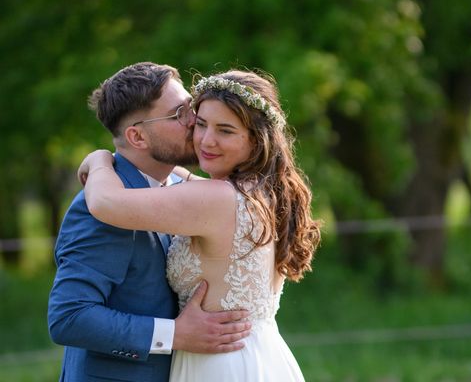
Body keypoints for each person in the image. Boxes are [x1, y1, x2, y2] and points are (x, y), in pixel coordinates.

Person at [77, 69, 322, 381]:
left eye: (226, 131)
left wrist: (99, 160)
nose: (207, 140)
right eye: (201, 124)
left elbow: (104, 204)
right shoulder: (263, 191)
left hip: (221, 366)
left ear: (257, 139)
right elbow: (188, 180)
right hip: (260, 355)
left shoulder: (216, 198)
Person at [48, 62, 251, 382]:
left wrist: (98, 157)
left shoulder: (180, 188)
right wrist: (175, 335)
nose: (194, 120)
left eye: (191, 107)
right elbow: (69, 317)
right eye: (178, 114)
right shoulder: (98, 210)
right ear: (137, 136)